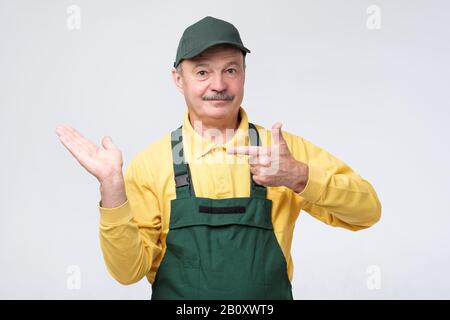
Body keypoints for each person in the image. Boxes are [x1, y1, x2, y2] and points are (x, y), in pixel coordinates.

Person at [55, 16, 381, 300]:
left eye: (230, 70)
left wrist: (300, 177)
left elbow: (367, 211)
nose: (219, 85)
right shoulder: (152, 164)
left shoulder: (281, 151)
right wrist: (112, 186)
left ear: (244, 74)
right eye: (202, 72)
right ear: (178, 80)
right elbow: (128, 272)